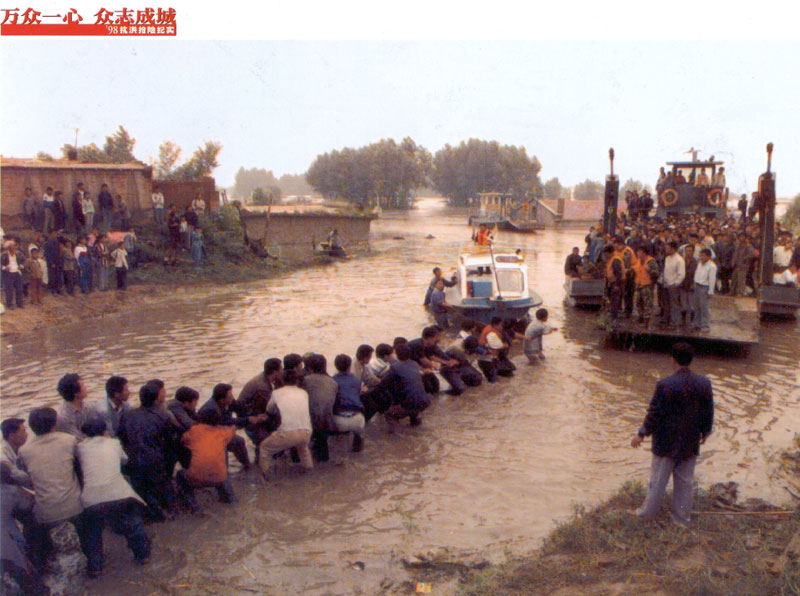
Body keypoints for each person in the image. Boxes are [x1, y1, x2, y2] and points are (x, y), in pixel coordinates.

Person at [630, 343, 713, 526]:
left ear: (672, 359)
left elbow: (655, 413)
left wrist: (642, 433)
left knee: (658, 481)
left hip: (666, 442)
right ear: (691, 360)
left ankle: (647, 513)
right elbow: (708, 412)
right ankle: (681, 519)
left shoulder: (665, 385)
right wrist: (705, 431)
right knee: (685, 483)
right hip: (690, 441)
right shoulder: (704, 384)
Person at [17, 407, 94, 573]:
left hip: (46, 514)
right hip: (75, 508)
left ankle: (45, 565)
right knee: (89, 527)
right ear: (54, 423)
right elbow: (82, 467)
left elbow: (28, 478)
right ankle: (95, 566)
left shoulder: (24, 451)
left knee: (36, 527)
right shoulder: (70, 440)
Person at [77, 415, 151, 576]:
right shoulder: (114, 443)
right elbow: (124, 461)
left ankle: (95, 567)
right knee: (133, 523)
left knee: (93, 532)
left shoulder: (80, 447)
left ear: (85, 434)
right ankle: (142, 555)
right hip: (119, 494)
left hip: (91, 499)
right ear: (105, 431)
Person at [117, 381, 179, 521]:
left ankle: (150, 509)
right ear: (157, 400)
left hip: (132, 465)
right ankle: (167, 511)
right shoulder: (163, 416)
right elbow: (171, 445)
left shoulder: (127, 415)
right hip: (154, 465)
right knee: (164, 487)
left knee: (143, 489)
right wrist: (168, 470)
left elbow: (122, 438)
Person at [258, 369, 313, 476]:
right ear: (297, 381)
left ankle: (265, 477)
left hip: (287, 433)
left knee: (264, 448)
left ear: (282, 380)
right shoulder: (304, 393)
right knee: (303, 449)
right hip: (306, 431)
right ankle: (310, 472)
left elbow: (269, 410)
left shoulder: (276, 393)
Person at [197, 383, 264, 470]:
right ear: (222, 400)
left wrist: (255, 415)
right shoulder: (211, 410)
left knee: (239, 442)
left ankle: (247, 466)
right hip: (210, 437)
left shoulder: (228, 401)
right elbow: (226, 422)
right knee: (230, 447)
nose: (232, 397)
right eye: (230, 396)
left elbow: (240, 409)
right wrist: (247, 420)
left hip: (222, 431)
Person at [176, 421, 237, 510]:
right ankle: (232, 500)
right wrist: (233, 427)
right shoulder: (223, 432)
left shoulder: (194, 431)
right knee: (223, 471)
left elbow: (182, 439)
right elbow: (232, 430)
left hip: (197, 478)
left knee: (180, 475)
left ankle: (194, 507)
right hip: (219, 477)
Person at [236, 358, 283, 452]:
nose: (282, 371)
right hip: (249, 418)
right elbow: (271, 408)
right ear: (275, 372)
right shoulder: (262, 386)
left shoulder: (264, 378)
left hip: (250, 413)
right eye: (281, 369)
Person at [298, 354, 337, 462]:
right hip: (327, 422)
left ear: (310, 367)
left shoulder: (305, 380)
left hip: (309, 421)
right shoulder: (333, 382)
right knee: (322, 445)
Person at [383, 343, 432, 429]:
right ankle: (414, 421)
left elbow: (384, 383)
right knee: (412, 399)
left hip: (410, 403)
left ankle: (396, 437)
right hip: (424, 401)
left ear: (397, 355)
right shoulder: (414, 364)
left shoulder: (395, 367)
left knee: (389, 414)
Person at [332, 354, 366, 452]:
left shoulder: (332, 380)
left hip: (339, 420)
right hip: (357, 419)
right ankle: (358, 447)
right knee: (360, 434)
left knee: (339, 443)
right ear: (350, 366)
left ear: (335, 366)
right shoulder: (357, 381)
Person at [55, 373, 89, 440]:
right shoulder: (63, 417)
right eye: (83, 385)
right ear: (76, 393)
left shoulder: (87, 405)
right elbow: (78, 440)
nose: (86, 387)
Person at [1, 418, 32, 488]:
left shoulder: (19, 449)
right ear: (12, 436)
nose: (27, 434)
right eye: (23, 431)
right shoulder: (3, 459)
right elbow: (22, 477)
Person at [693, 248, 717, 331]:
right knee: (696, 306)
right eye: (700, 255)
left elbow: (712, 279)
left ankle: (705, 325)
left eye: (703, 256)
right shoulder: (699, 263)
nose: (701, 257)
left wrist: (710, 291)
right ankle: (697, 324)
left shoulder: (712, 266)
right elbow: (696, 273)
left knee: (704, 307)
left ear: (708, 256)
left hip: (704, 287)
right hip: (697, 285)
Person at [662, 241, 685, 327]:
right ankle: (667, 319)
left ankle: (675, 321)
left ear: (673, 249)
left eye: (668, 248)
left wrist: (676, 283)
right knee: (666, 304)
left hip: (673, 285)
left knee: (674, 304)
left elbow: (681, 274)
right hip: (666, 284)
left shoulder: (679, 260)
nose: (666, 250)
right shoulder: (667, 258)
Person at [1, 241, 25, 309]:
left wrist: (21, 266)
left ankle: (19, 303)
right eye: (11, 247)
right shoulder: (4, 255)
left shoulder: (18, 254)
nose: (13, 248)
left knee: (19, 289)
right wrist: (5, 268)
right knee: (9, 290)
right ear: (8, 248)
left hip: (17, 272)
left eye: (14, 246)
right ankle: (9, 304)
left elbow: (24, 261)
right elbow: (1, 265)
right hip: (9, 273)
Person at [678, 244, 697, 327]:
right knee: (683, 305)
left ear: (693, 252)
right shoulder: (681, 261)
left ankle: (692, 321)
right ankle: (683, 321)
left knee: (692, 305)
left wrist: (694, 284)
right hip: (682, 285)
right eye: (687, 251)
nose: (688, 252)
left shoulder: (696, 262)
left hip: (692, 286)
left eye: (690, 251)